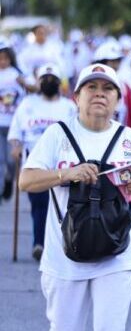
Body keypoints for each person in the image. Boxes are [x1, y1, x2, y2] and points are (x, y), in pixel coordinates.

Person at [18, 63, 131, 331]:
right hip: (64, 254)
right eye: (91, 88)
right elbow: (26, 181)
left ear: (118, 100)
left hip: (117, 252)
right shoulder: (57, 134)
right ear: (76, 97)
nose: (99, 94)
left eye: (108, 89)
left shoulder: (128, 138)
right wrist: (66, 173)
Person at [9, 63, 77, 261]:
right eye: (44, 79)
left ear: (59, 83)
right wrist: (16, 146)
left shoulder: (69, 107)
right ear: (38, 83)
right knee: (39, 204)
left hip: (63, 165)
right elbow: (16, 132)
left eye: (53, 79)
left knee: (61, 205)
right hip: (34, 164)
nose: (48, 82)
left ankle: (62, 243)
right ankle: (39, 243)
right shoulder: (27, 104)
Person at [92, 40, 131, 134]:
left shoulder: (123, 86)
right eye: (112, 61)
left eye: (118, 61)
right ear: (101, 62)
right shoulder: (86, 85)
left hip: (119, 142)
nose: (116, 65)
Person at [0, 40, 25, 200]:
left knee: (10, 161)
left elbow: (26, 95)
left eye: (5, 58)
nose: (3, 61)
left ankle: (9, 181)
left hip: (13, 125)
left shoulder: (17, 75)